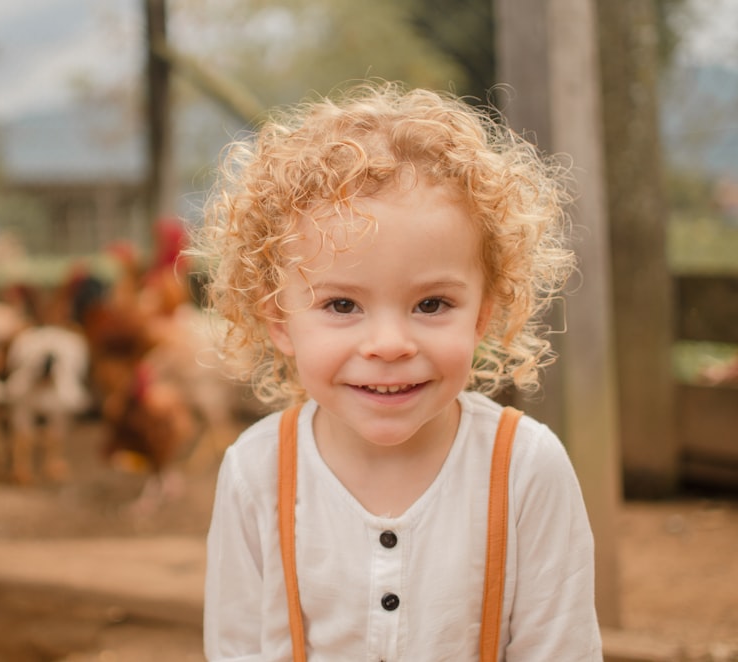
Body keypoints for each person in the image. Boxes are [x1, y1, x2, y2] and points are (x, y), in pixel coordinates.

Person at [191, 81, 603, 660]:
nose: (388, 344)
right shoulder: (254, 473)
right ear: (279, 321)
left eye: (432, 304)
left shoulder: (526, 469)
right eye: (342, 305)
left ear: (483, 315)